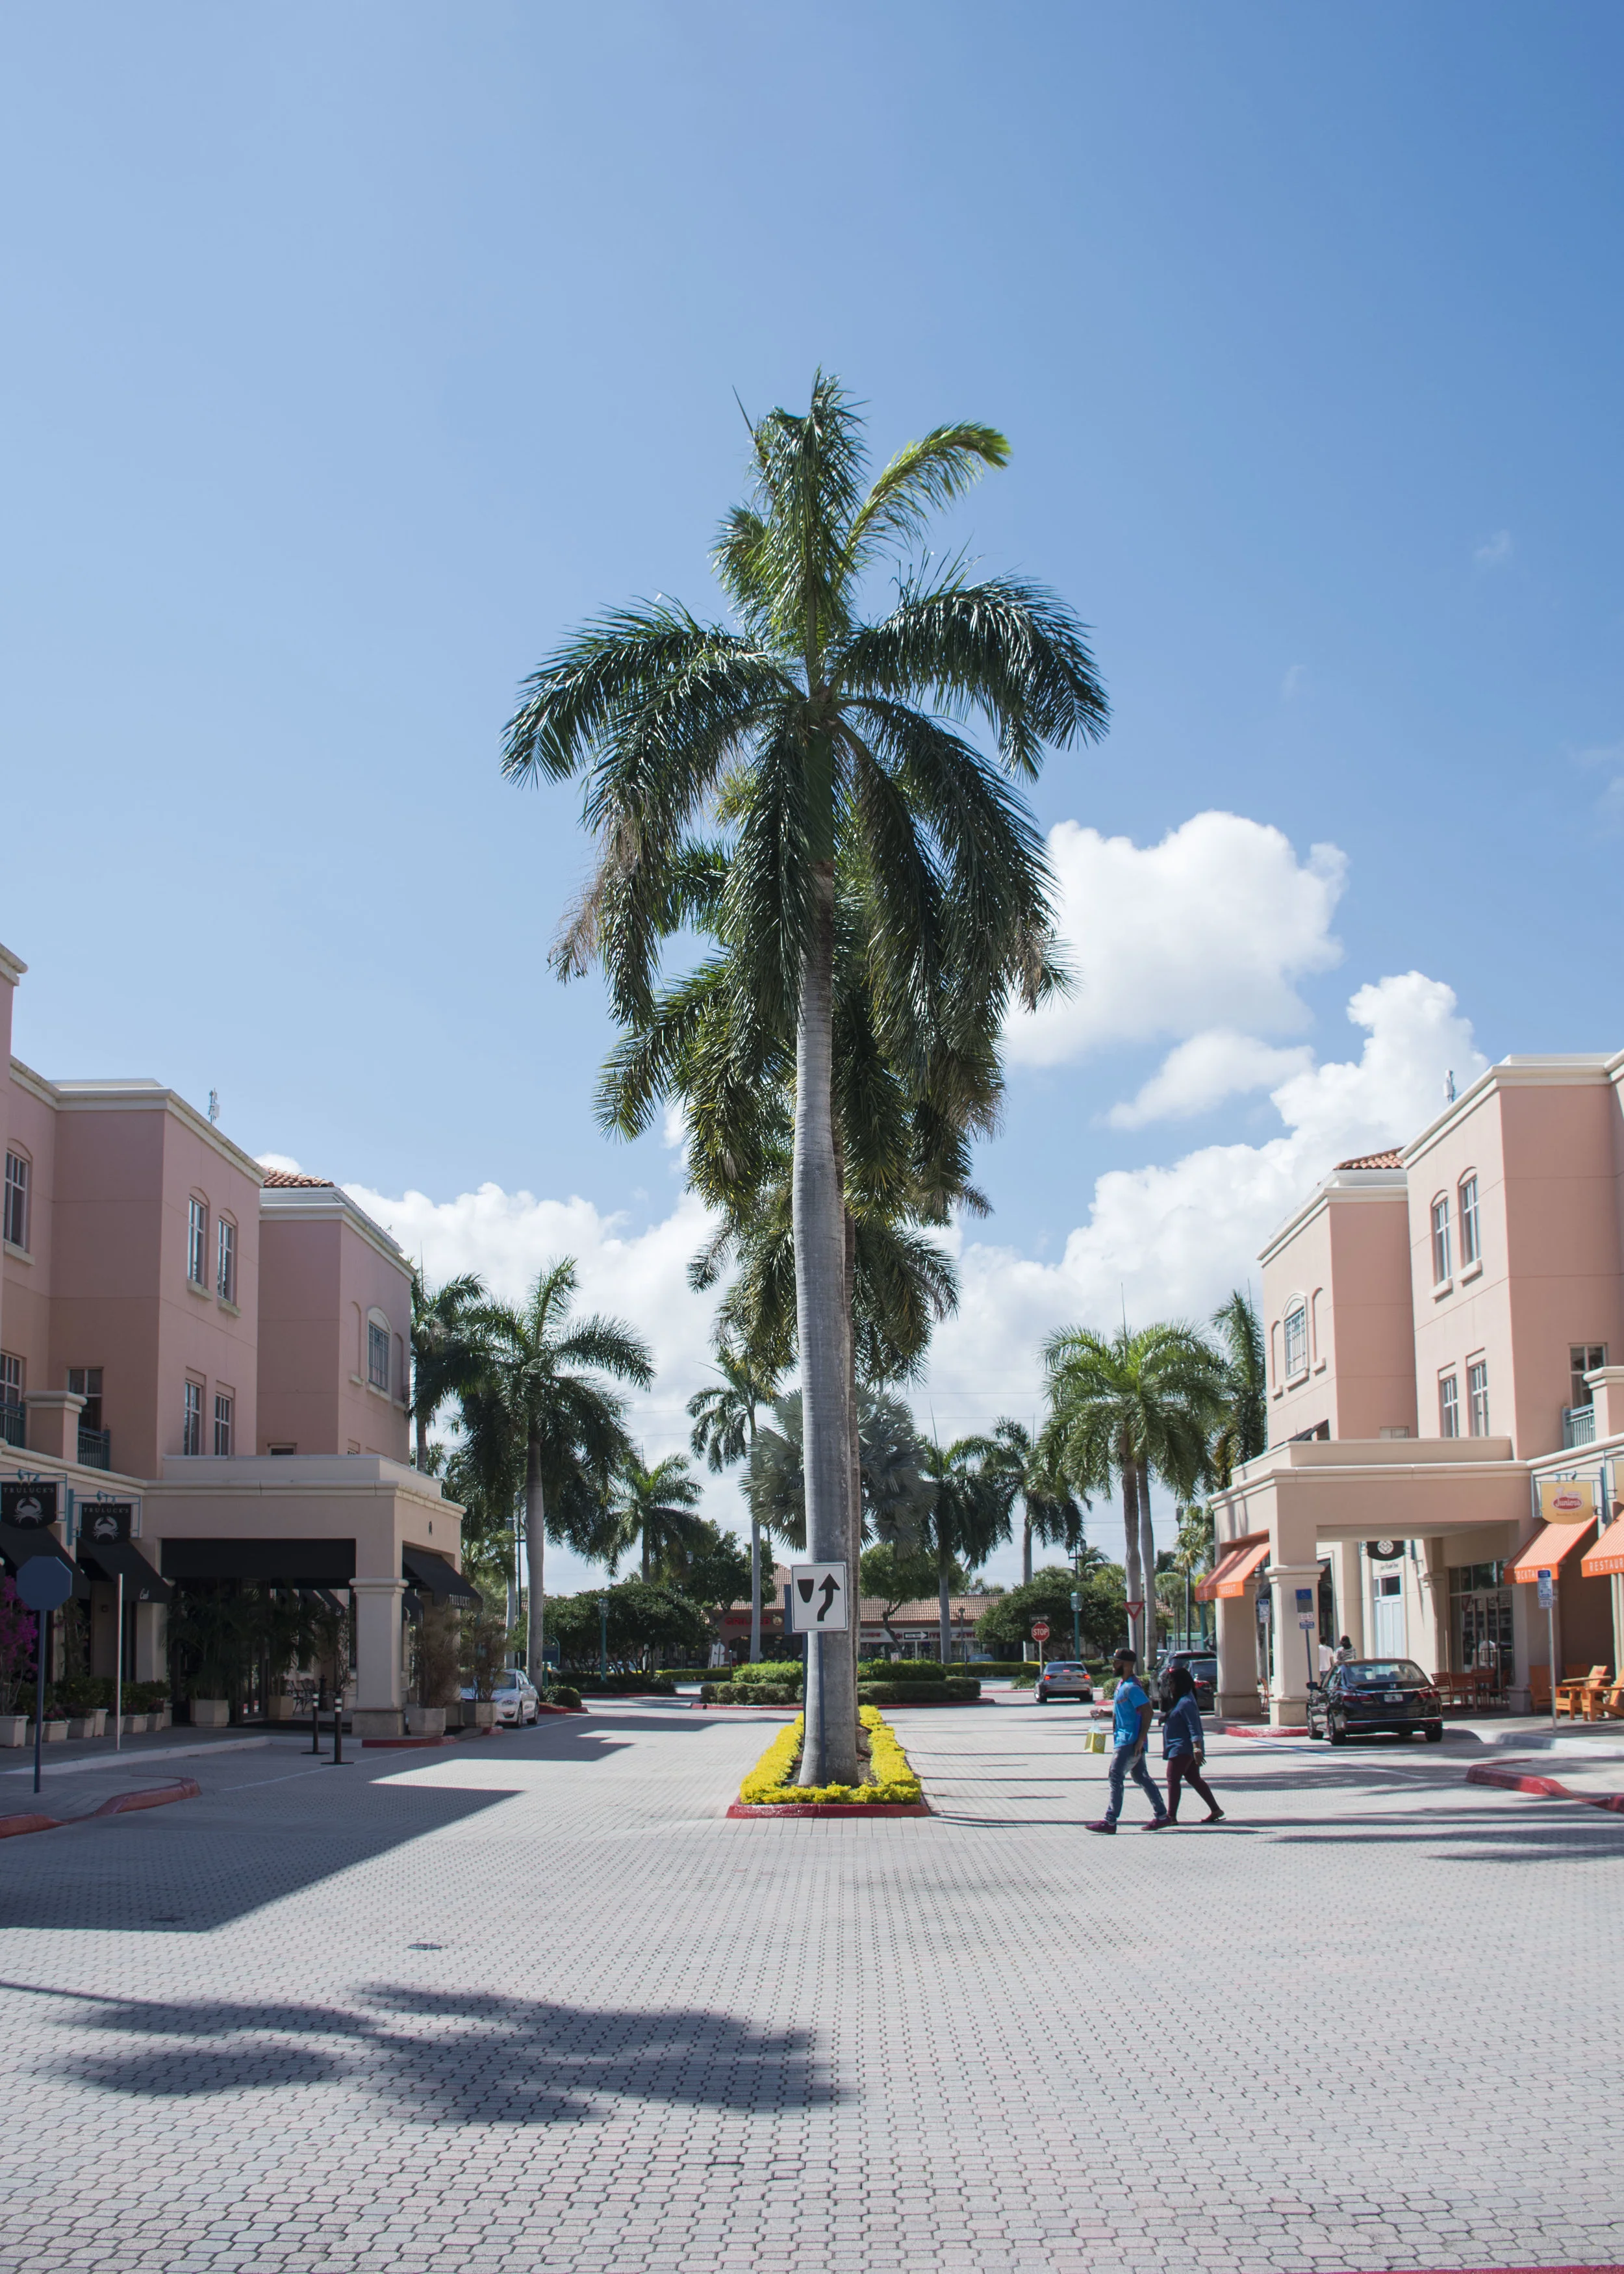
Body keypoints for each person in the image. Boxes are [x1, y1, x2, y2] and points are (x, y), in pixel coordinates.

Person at [1086, 1648, 1169, 1832]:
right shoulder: (1121, 1686)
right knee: (1141, 1777)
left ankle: (1110, 1820)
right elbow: (1124, 1713)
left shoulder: (1132, 1687)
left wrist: (1140, 1740)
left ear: (1126, 1665)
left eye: (1116, 1662)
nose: (1113, 1665)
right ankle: (1162, 1815)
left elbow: (1148, 1711)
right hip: (1124, 1739)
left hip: (1129, 1741)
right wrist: (1104, 1714)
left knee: (1115, 1776)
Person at [1161, 1665, 1223, 1824]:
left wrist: (1197, 1749)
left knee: (1172, 1779)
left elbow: (1194, 1727)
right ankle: (1215, 1809)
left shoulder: (1187, 1702)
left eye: (1173, 1683)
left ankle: (1171, 1816)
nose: (1170, 1687)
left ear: (1181, 1683)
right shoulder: (1183, 1700)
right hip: (1182, 1747)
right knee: (1193, 1778)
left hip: (1182, 1747)